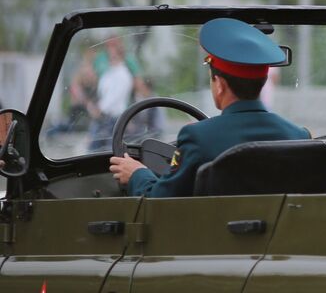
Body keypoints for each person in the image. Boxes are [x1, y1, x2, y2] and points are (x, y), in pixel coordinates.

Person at [108, 18, 309, 197]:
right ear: (263, 81)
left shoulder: (198, 138)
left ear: (219, 85)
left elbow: (160, 201)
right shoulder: (298, 137)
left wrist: (137, 174)